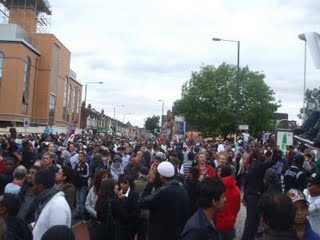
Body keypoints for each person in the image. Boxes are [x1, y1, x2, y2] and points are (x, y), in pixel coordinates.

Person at [139, 161, 190, 240]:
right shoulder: (183, 190)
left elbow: (142, 202)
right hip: (177, 234)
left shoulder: (162, 192)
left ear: (161, 176)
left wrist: (150, 182)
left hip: (160, 235)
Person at [241, 149, 278, 240]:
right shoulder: (259, 166)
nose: (264, 155)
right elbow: (273, 161)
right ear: (258, 156)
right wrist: (276, 151)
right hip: (254, 196)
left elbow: (246, 183)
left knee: (253, 221)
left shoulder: (252, 166)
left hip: (251, 195)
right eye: (262, 154)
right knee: (251, 222)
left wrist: (245, 196)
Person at [32, 169, 71, 240]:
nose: (32, 188)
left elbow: (57, 236)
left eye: (33, 185)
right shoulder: (46, 199)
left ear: (40, 187)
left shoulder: (58, 207)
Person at [216, 166, 241, 240]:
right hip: (230, 222)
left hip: (218, 223)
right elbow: (237, 207)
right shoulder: (236, 189)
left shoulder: (217, 187)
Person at [85, 169, 109, 240]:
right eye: (103, 177)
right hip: (93, 221)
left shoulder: (110, 190)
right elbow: (87, 205)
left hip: (105, 222)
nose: (106, 179)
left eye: (107, 177)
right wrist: (96, 214)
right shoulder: (93, 190)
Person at [118, 174, 139, 239]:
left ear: (129, 184)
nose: (122, 185)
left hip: (130, 225)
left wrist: (128, 217)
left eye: (125, 183)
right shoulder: (117, 193)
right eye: (121, 183)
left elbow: (136, 210)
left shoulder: (134, 194)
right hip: (119, 225)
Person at [73, 151, 89, 221]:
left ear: (84, 157)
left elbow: (87, 175)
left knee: (82, 200)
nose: (80, 157)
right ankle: (78, 213)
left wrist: (80, 175)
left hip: (83, 185)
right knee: (78, 200)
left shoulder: (86, 165)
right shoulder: (77, 164)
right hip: (77, 185)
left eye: (81, 156)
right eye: (79, 156)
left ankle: (83, 215)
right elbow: (75, 173)